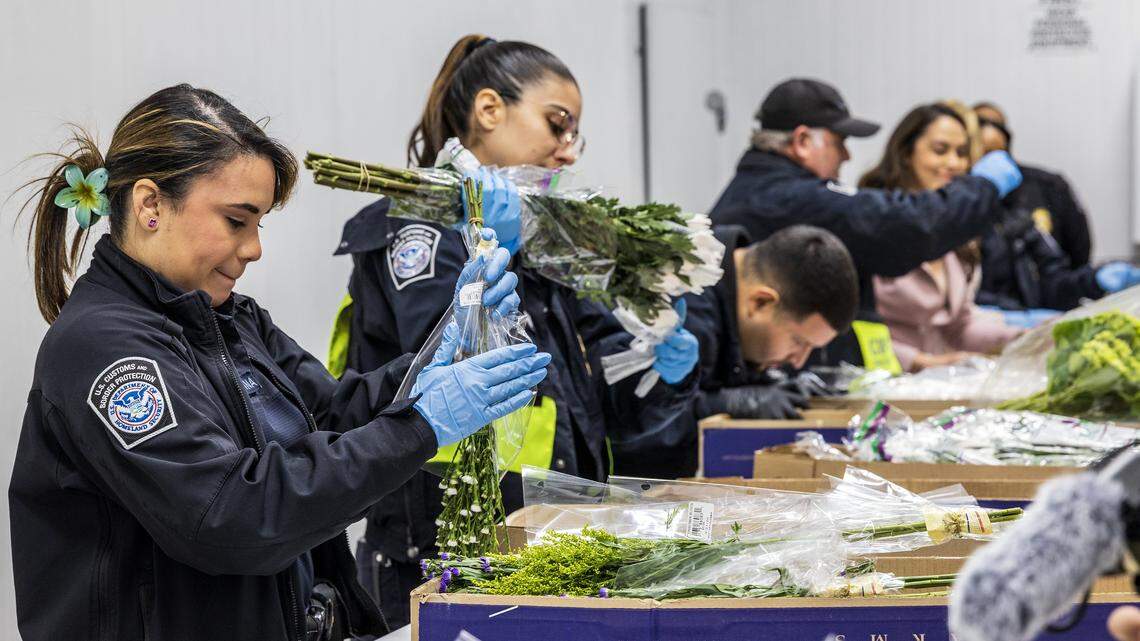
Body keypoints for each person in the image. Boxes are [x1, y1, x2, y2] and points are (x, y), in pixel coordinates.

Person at [8, 84, 549, 641]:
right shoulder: (104, 349)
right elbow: (229, 514)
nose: (254, 249)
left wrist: (442, 352)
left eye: (258, 224)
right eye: (236, 221)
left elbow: (335, 414)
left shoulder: (231, 320)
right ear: (150, 205)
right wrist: (421, 425)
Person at [330, 35, 699, 627]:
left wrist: (653, 362)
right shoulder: (413, 225)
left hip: (548, 540)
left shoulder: (543, 242)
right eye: (558, 125)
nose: (567, 151)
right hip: (443, 550)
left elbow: (589, 376)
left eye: (575, 134)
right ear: (489, 110)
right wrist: (486, 242)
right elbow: (449, 354)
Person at [708, 77, 1022, 372]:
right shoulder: (788, 198)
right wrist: (983, 186)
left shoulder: (762, 190)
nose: (846, 155)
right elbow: (908, 228)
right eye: (839, 141)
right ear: (803, 141)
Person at [616, 224, 859, 479]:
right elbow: (633, 425)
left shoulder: (728, 291)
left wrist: (767, 384)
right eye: (798, 341)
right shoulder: (684, 304)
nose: (798, 361)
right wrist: (728, 404)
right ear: (760, 302)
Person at [859, 102, 1024, 372]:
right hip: (876, 381)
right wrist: (921, 362)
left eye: (961, 153)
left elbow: (959, 326)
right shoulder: (871, 224)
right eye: (940, 150)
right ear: (906, 153)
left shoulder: (958, 234)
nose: (953, 163)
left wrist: (1018, 337)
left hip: (936, 387)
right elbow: (850, 328)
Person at [967, 105, 1140, 311]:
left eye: (997, 154)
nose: (992, 164)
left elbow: (1057, 278)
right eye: (981, 154)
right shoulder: (950, 215)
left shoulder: (1029, 203)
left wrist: (1093, 281)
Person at [974, 101, 1093, 268]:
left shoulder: (1049, 185)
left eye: (994, 153)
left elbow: (1078, 250)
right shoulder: (959, 197)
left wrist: (1088, 281)